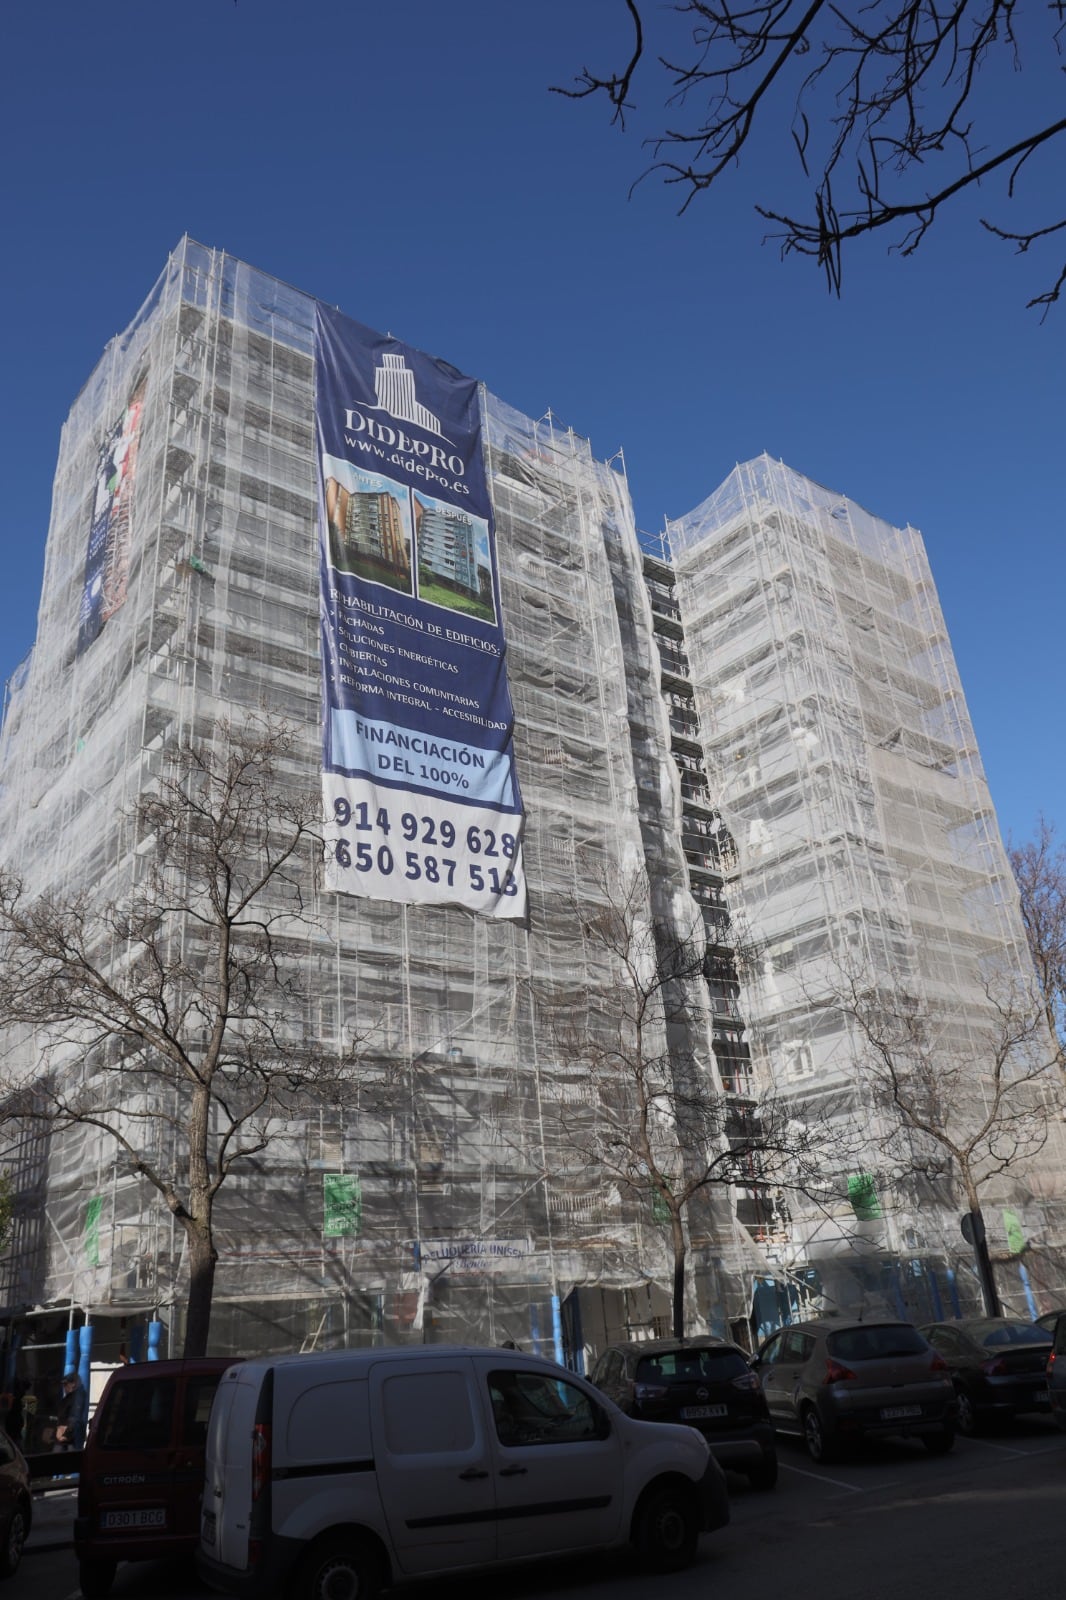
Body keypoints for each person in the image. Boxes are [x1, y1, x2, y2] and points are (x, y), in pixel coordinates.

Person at [54, 1369, 88, 1451]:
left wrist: (66, 1434)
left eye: (66, 1384)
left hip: (70, 1437)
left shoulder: (77, 1397)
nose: (64, 1387)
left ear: (73, 1384)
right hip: (65, 1436)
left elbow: (75, 1417)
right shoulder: (69, 1397)